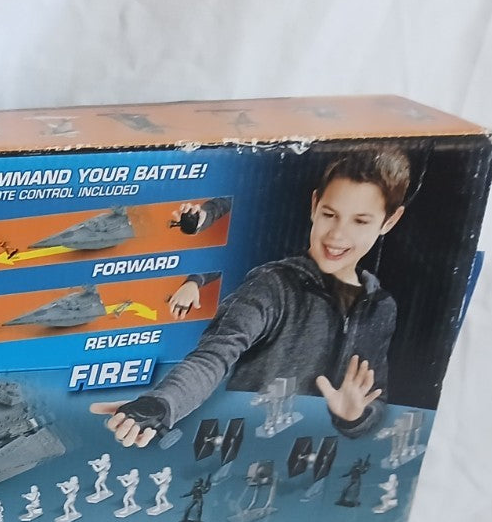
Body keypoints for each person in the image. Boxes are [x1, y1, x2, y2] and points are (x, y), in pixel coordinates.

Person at [92, 148, 408, 446]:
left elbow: (375, 400)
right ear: (314, 206)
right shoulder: (272, 286)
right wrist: (163, 403)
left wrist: (354, 417)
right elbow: (214, 355)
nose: (337, 234)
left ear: (390, 221)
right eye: (329, 214)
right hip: (247, 446)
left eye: (360, 221)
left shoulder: (381, 307)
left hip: (316, 457)